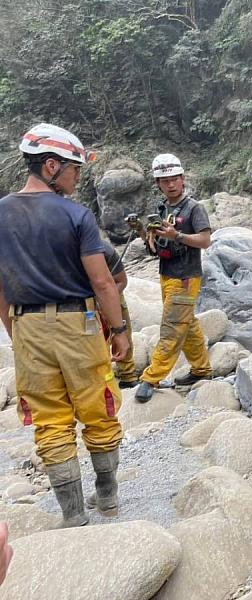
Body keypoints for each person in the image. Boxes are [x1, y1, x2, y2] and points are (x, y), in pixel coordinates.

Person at [0, 123, 128, 527]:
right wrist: (119, 330)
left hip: (27, 328)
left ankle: (73, 515)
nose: (77, 176)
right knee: (99, 408)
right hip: (79, 324)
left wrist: (13, 330)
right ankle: (106, 497)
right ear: (52, 166)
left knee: (50, 420)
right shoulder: (76, 215)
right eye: (74, 168)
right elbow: (103, 280)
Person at [134, 153, 212, 403]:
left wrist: (177, 235)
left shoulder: (194, 208)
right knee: (186, 324)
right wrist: (142, 232)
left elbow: (205, 240)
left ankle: (151, 377)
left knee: (171, 328)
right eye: (165, 180)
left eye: (175, 179)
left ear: (182, 179)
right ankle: (201, 370)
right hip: (166, 273)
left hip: (186, 276)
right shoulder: (162, 209)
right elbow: (156, 246)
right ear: (158, 183)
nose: (171, 184)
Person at [101, 237, 137, 388]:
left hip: (113, 295)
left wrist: (105, 300)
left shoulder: (105, 249)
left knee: (123, 333)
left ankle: (128, 375)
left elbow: (121, 280)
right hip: (83, 303)